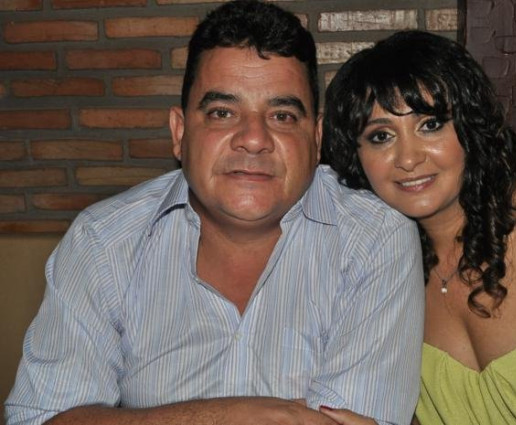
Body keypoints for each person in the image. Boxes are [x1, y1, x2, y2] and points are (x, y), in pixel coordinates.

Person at [4, 3, 425, 425]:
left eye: (282, 115)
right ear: (180, 131)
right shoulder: (102, 241)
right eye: (222, 113)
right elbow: (42, 418)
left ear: (316, 139)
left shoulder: (374, 238)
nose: (254, 139)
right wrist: (228, 414)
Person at [319, 30, 516, 425]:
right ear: (357, 157)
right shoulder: (377, 264)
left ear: (470, 127)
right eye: (381, 136)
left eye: (430, 125)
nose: (408, 158)